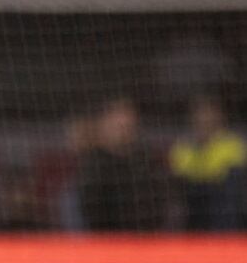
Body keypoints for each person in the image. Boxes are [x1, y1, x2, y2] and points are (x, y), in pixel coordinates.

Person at [77, 96, 169, 231]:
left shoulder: (146, 160)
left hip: (146, 236)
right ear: (104, 124)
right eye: (117, 121)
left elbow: (160, 203)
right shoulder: (93, 163)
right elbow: (90, 211)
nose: (123, 126)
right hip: (106, 237)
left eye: (128, 120)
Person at [169, 95, 245, 230]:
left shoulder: (233, 143)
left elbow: (231, 176)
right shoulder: (183, 145)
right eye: (201, 113)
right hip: (191, 198)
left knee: (228, 190)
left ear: (220, 116)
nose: (205, 118)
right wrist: (199, 147)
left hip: (220, 197)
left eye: (210, 113)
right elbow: (180, 174)